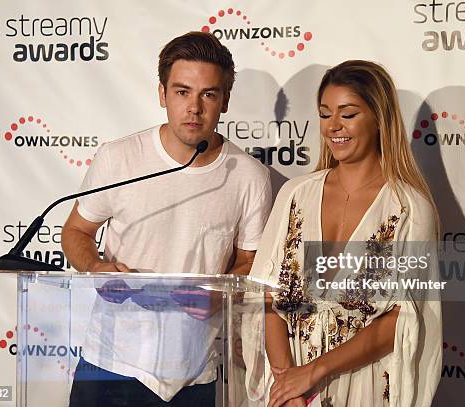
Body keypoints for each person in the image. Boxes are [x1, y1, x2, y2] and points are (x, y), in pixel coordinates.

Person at [61, 31, 272, 406]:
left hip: (195, 374)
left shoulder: (249, 175)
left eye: (208, 94)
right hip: (109, 363)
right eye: (181, 92)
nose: (194, 107)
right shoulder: (119, 158)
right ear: (162, 94)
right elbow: (77, 230)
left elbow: (248, 262)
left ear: (224, 101)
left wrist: (221, 297)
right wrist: (95, 265)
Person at [246, 61, 442, 406]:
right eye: (324, 114)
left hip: (364, 384)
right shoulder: (294, 194)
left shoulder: (410, 209)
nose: (333, 126)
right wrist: (287, 383)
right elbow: (266, 298)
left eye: (348, 114)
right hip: (289, 385)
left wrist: (315, 371)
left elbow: (403, 318)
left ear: (379, 118)